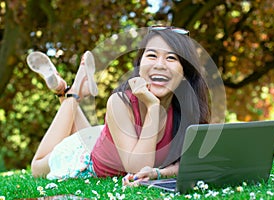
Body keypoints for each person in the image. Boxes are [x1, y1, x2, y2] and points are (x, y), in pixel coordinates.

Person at [27, 26, 211, 186]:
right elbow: (137, 168)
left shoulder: (186, 110)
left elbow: (190, 162)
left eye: (171, 58)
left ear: (185, 74)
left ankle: (66, 89)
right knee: (37, 167)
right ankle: (73, 91)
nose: (160, 64)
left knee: (94, 137)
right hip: (84, 157)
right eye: (152, 55)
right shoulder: (119, 102)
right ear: (140, 67)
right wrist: (153, 107)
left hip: (106, 139)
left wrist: (159, 173)